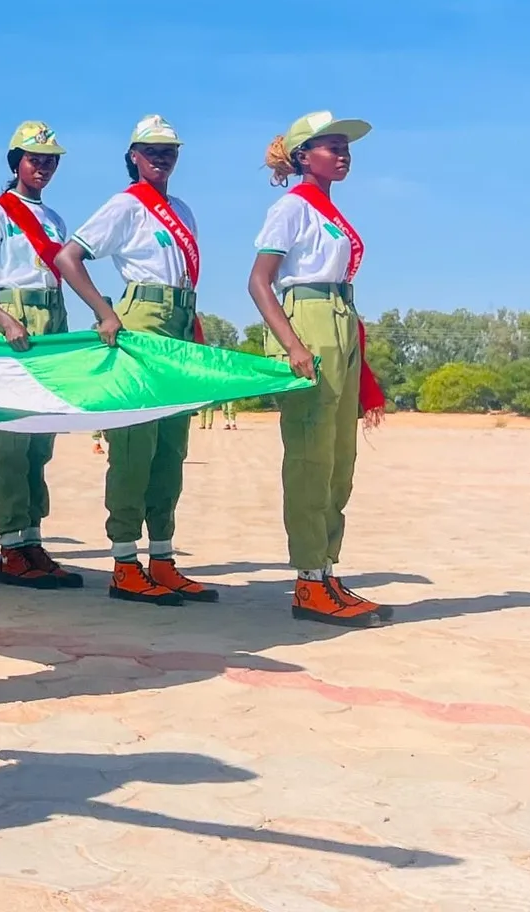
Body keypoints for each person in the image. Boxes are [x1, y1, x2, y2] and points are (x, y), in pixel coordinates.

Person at [54, 115, 217, 607]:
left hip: (181, 321)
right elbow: (69, 257)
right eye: (151, 150)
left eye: (169, 149)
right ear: (134, 156)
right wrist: (104, 312)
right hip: (142, 319)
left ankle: (163, 559)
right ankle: (125, 561)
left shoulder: (183, 209)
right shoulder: (126, 205)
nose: (162, 157)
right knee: (135, 445)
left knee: (171, 445)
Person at [248, 110, 394, 627]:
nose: (343, 153)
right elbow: (260, 281)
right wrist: (292, 344)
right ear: (303, 156)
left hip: (340, 317)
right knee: (311, 456)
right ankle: (309, 580)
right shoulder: (290, 208)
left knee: (339, 457)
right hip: (308, 319)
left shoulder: (327, 210)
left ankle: (327, 572)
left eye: (345, 146)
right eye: (331, 146)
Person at [0, 122, 85, 590]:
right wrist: (6, 320)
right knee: (11, 438)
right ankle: (11, 545)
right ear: (16, 162)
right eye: (35, 159)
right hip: (13, 315)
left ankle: (33, 540)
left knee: (40, 438)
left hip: (53, 317)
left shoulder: (54, 218)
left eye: (51, 160)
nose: (44, 167)